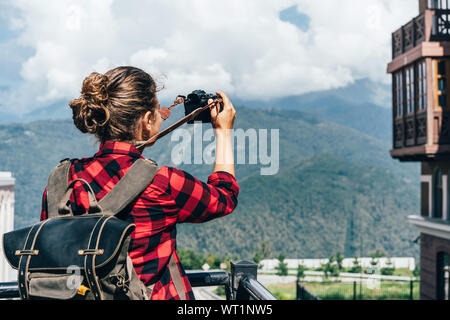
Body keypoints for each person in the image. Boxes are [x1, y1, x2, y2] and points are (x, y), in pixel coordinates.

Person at [39, 66, 239, 300]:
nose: (161, 117)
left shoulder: (63, 180)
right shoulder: (162, 182)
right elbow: (224, 197)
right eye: (160, 112)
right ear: (146, 120)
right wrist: (223, 133)